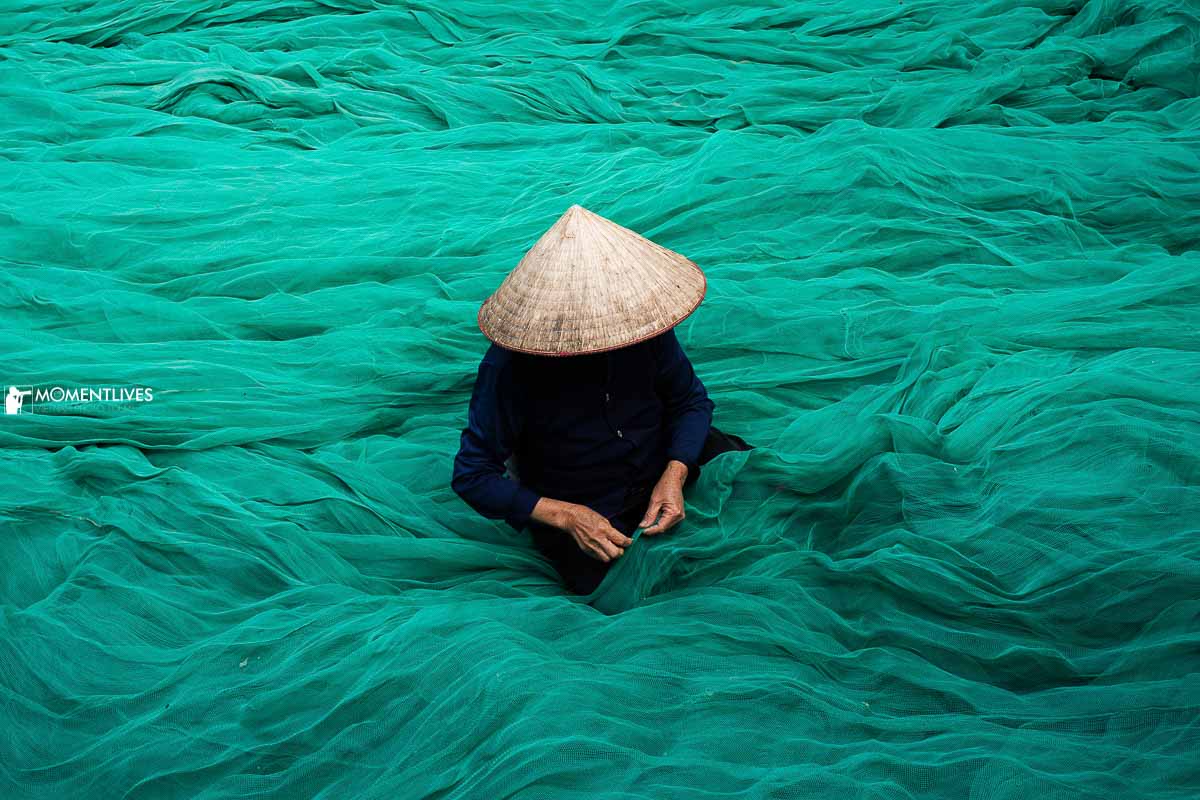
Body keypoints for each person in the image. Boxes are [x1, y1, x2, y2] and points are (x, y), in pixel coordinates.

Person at [452, 205, 750, 594]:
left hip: (659, 459)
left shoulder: (643, 326)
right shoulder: (510, 369)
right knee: (634, 593)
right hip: (587, 502)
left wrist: (675, 471)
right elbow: (472, 475)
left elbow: (690, 402)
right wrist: (567, 516)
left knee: (760, 491)